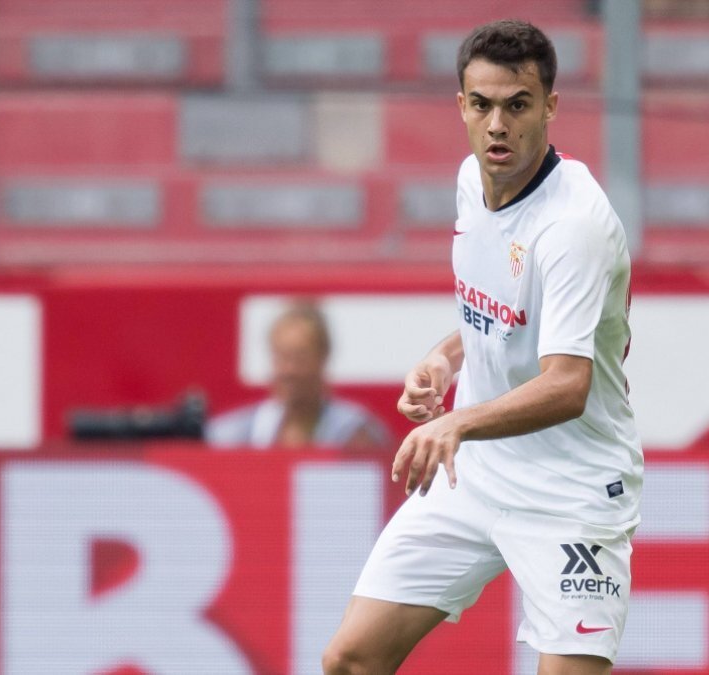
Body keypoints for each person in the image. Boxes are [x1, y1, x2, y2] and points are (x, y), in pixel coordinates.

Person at [323, 19, 642, 675]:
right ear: (462, 106)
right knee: (351, 660)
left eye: (518, 105)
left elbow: (568, 384)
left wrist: (457, 422)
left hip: (571, 489)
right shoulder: (473, 179)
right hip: (476, 473)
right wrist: (444, 361)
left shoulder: (574, 226)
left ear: (550, 107)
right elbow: (498, 316)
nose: (498, 125)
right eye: (483, 105)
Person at [205, 301, 390, 450]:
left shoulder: (354, 431)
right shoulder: (241, 433)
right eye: (281, 357)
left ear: (323, 357)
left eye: (299, 358)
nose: (289, 371)